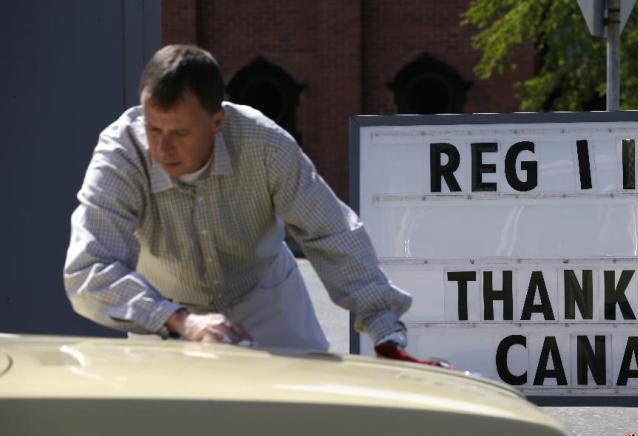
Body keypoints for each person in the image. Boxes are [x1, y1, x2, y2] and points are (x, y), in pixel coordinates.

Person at [64, 44, 426, 362]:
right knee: (171, 433)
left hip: (264, 296)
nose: (162, 148)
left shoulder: (265, 144)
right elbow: (88, 268)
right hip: (163, 311)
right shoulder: (120, 154)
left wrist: (384, 328)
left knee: (303, 414)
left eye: (180, 132)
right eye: (154, 129)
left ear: (217, 120)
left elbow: (329, 233)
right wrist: (178, 319)